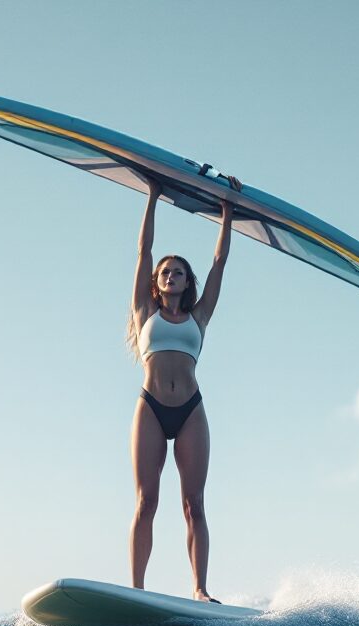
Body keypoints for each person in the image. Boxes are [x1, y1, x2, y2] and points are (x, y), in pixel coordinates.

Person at [128, 175, 240, 603]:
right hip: (151, 407)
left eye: (178, 272)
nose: (171, 276)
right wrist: (152, 197)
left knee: (194, 503)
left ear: (186, 281)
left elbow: (219, 264)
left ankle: (200, 589)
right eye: (165, 273)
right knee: (146, 502)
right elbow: (143, 252)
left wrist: (227, 212)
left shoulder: (201, 315)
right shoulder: (144, 312)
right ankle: (136, 590)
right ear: (156, 283)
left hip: (191, 410)